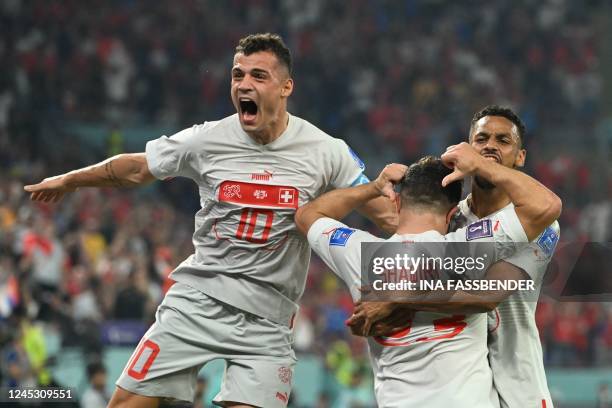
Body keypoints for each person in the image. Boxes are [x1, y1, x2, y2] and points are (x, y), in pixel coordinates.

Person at [23, 33, 395, 408]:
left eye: (258, 76)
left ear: (286, 87)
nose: (244, 84)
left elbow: (387, 214)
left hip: (268, 321)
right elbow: (136, 168)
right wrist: (71, 179)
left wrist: (452, 232)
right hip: (199, 300)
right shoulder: (206, 139)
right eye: (238, 75)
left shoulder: (325, 151)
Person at [294, 148, 562, 407]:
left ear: (396, 203)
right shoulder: (468, 246)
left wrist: (374, 188)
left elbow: (307, 215)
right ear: (453, 214)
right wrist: (483, 165)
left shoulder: (360, 253)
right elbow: (546, 205)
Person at [352, 106, 560, 407]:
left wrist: (397, 297)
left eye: (503, 141)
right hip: (458, 387)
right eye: (481, 139)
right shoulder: (448, 219)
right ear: (468, 145)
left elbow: (486, 297)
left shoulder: (537, 224)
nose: (490, 145)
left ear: (520, 157)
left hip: (517, 383)